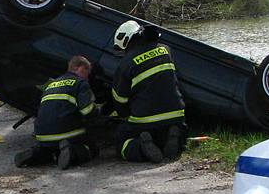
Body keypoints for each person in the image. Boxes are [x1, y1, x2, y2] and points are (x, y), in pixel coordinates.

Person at [111, 20, 186, 163]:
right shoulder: (166, 50)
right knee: (174, 131)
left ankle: (140, 147)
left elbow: (120, 100)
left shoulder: (126, 63)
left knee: (121, 141)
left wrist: (125, 115)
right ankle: (174, 137)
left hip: (144, 120)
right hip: (176, 114)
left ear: (127, 41)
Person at [14, 55, 99, 169]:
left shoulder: (52, 84)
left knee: (48, 152)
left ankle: (36, 154)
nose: (88, 77)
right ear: (81, 68)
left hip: (42, 134)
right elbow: (87, 110)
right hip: (66, 132)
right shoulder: (80, 83)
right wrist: (97, 110)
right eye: (88, 72)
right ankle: (73, 152)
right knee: (92, 149)